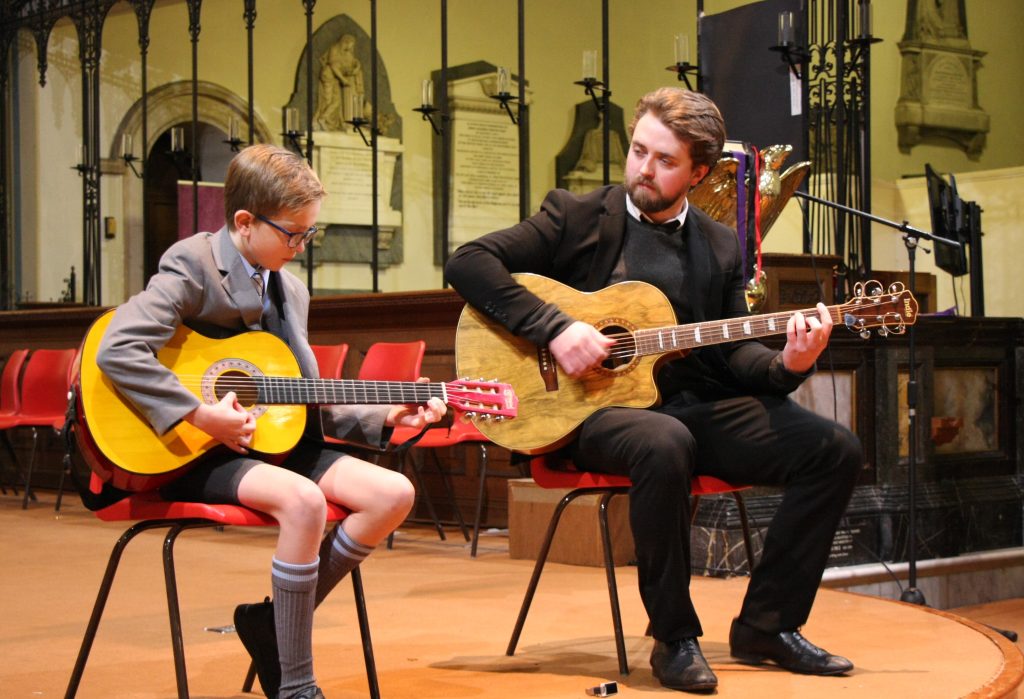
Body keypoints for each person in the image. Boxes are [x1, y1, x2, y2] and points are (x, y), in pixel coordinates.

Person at [445, 87, 860, 693]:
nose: (644, 168)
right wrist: (556, 329)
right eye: (639, 150)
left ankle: (768, 625)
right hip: (589, 410)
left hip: (693, 407)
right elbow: (468, 262)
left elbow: (730, 350)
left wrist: (789, 364)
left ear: (698, 171)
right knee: (662, 441)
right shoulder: (577, 216)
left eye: (665, 161)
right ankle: (674, 636)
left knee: (835, 449)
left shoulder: (720, 244)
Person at [97, 143, 446, 699]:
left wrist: (389, 411)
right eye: (292, 233)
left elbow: (296, 390)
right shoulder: (192, 266)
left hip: (275, 446)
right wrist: (199, 413)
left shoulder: (291, 289)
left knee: (393, 494)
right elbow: (117, 349)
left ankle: (269, 624)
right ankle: (297, 684)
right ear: (243, 221)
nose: (302, 246)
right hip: (193, 449)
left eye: (309, 233)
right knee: (304, 504)